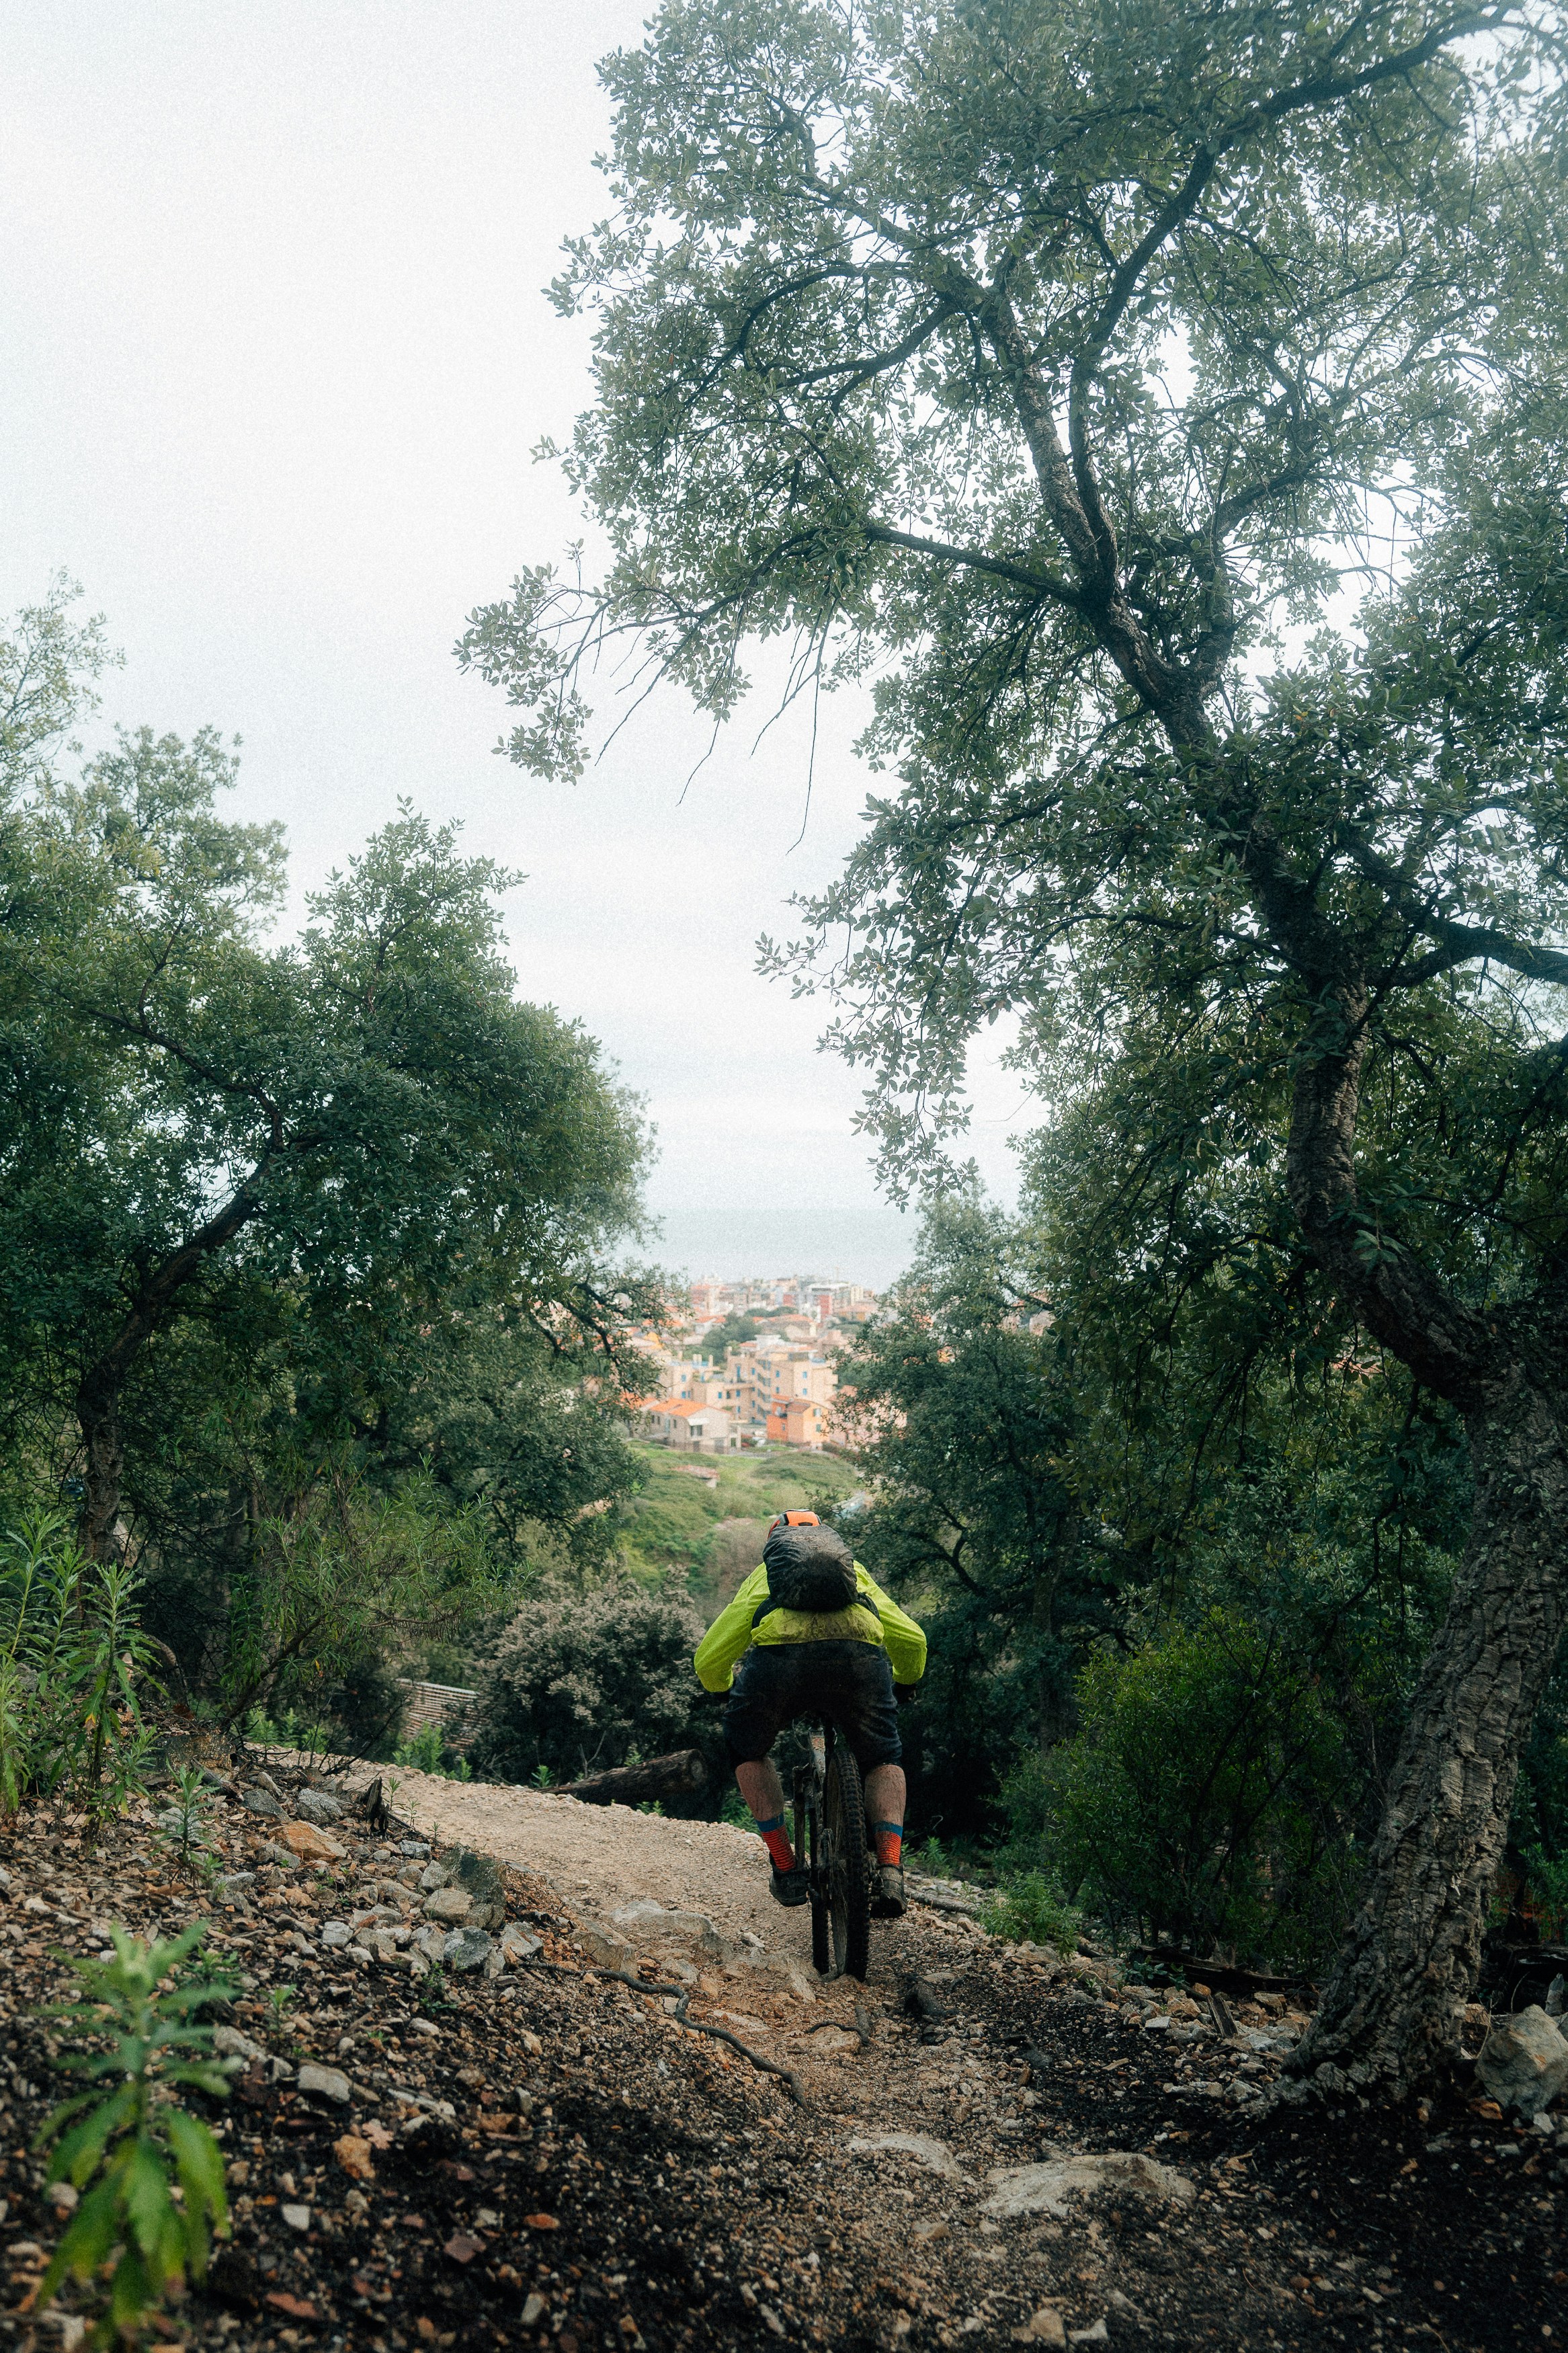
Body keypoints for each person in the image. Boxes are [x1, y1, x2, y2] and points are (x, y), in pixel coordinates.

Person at [693, 1512, 926, 1918]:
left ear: (776, 1544)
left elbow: (710, 1657)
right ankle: (890, 1867)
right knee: (883, 1758)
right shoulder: (854, 1574)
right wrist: (906, 1680)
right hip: (857, 1663)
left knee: (746, 1751)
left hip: (781, 1666)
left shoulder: (767, 1575)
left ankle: (785, 1866)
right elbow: (912, 1637)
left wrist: (722, 1689)